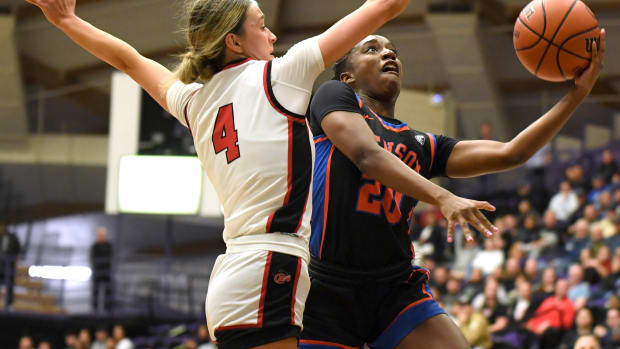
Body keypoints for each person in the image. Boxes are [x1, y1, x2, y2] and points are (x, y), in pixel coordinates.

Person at [26, 0, 481, 348]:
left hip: (235, 274)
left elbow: (128, 61)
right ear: (235, 41)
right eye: (262, 26)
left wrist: (67, 20)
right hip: (270, 266)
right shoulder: (281, 76)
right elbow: (386, 7)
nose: (273, 32)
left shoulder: (193, 100)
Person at [300, 30, 605, 349]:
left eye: (393, 50)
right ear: (347, 76)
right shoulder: (331, 95)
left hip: (394, 289)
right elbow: (366, 155)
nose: (389, 54)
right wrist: (443, 196)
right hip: (327, 289)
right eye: (372, 49)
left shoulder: (422, 145)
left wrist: (577, 94)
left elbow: (511, 153)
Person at [90, 227, 112, 313]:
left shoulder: (109, 246)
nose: (101, 236)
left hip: (106, 272)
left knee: (108, 291)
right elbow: (93, 258)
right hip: (97, 272)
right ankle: (95, 309)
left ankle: (107, 308)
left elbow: (110, 257)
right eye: (100, 235)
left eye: (102, 235)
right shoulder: (95, 246)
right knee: (95, 291)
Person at [0, 223, 20, 310]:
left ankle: (9, 303)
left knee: (9, 284)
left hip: (9, 264)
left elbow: (18, 248)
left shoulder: (12, 237)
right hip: (1, 264)